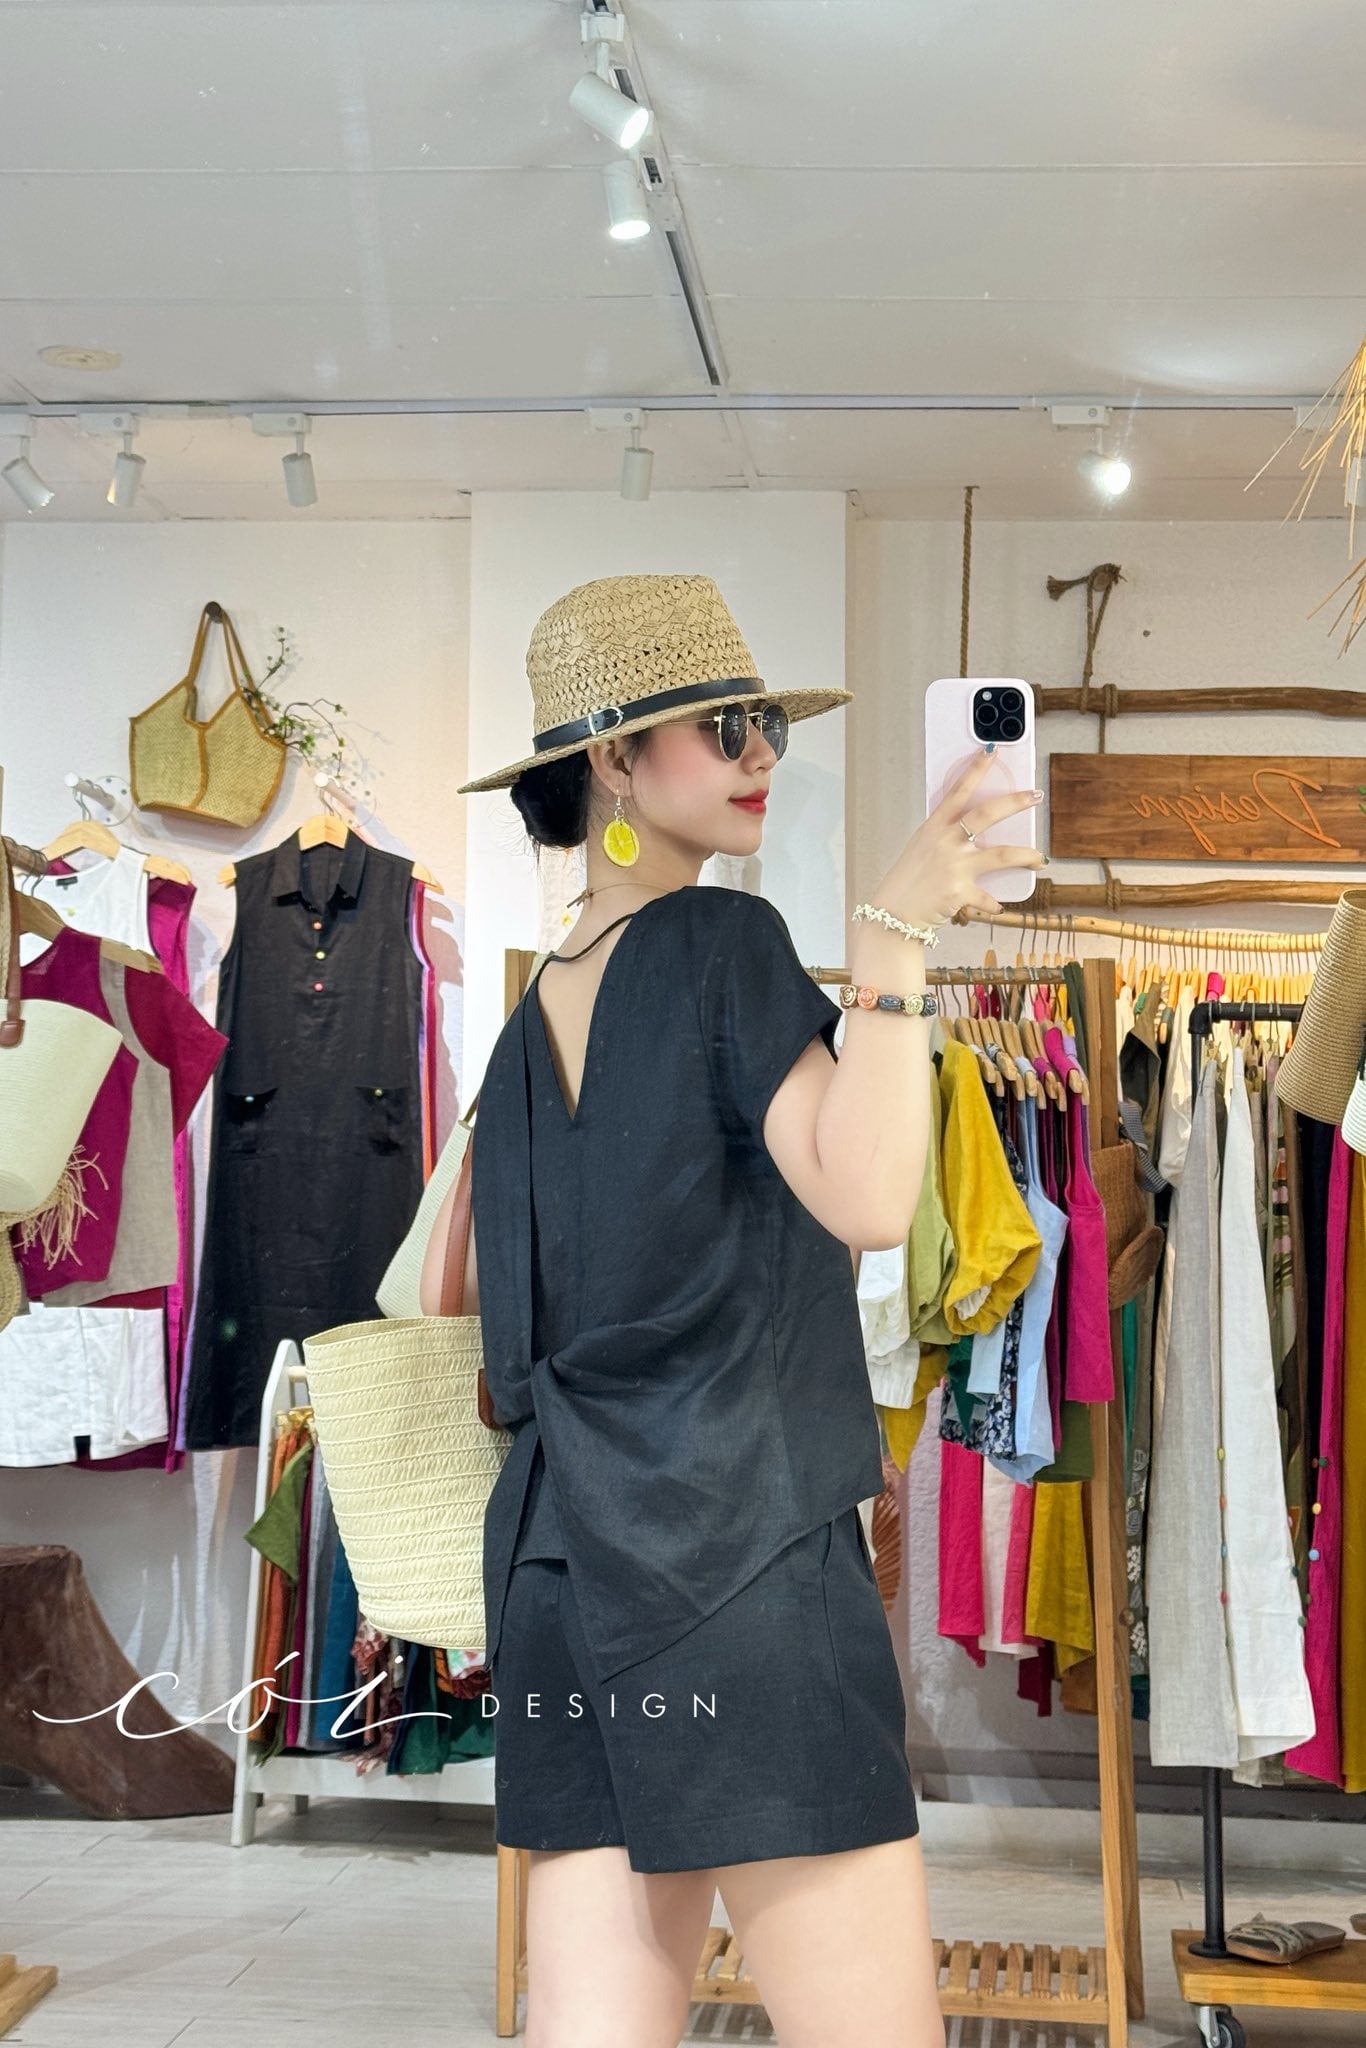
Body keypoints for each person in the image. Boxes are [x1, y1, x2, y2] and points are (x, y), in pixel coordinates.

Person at [436, 574, 1044, 2048]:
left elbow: (487, 1323)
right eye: (723, 728)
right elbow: (870, 1197)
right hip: (739, 1569)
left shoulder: (520, 1035)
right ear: (612, 759)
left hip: (561, 1576)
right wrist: (893, 937)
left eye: (765, 721)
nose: (763, 752)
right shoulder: (720, 945)